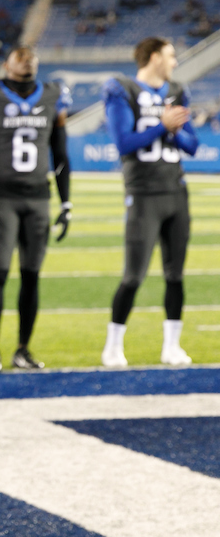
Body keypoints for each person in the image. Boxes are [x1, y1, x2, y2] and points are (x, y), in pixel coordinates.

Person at [0, 46, 72, 373]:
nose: (27, 60)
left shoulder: (54, 95)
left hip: (39, 197)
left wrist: (66, 202)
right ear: (7, 63)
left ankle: (23, 350)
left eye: (31, 57)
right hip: (3, 197)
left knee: (31, 276)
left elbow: (61, 152)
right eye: (20, 57)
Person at [101, 37, 199, 366]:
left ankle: (171, 346)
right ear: (155, 57)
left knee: (175, 275)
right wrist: (162, 125)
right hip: (143, 195)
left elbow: (192, 145)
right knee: (133, 276)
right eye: (170, 56)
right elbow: (123, 143)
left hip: (176, 192)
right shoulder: (122, 89)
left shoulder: (176, 91)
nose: (174, 62)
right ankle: (113, 344)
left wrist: (173, 131)